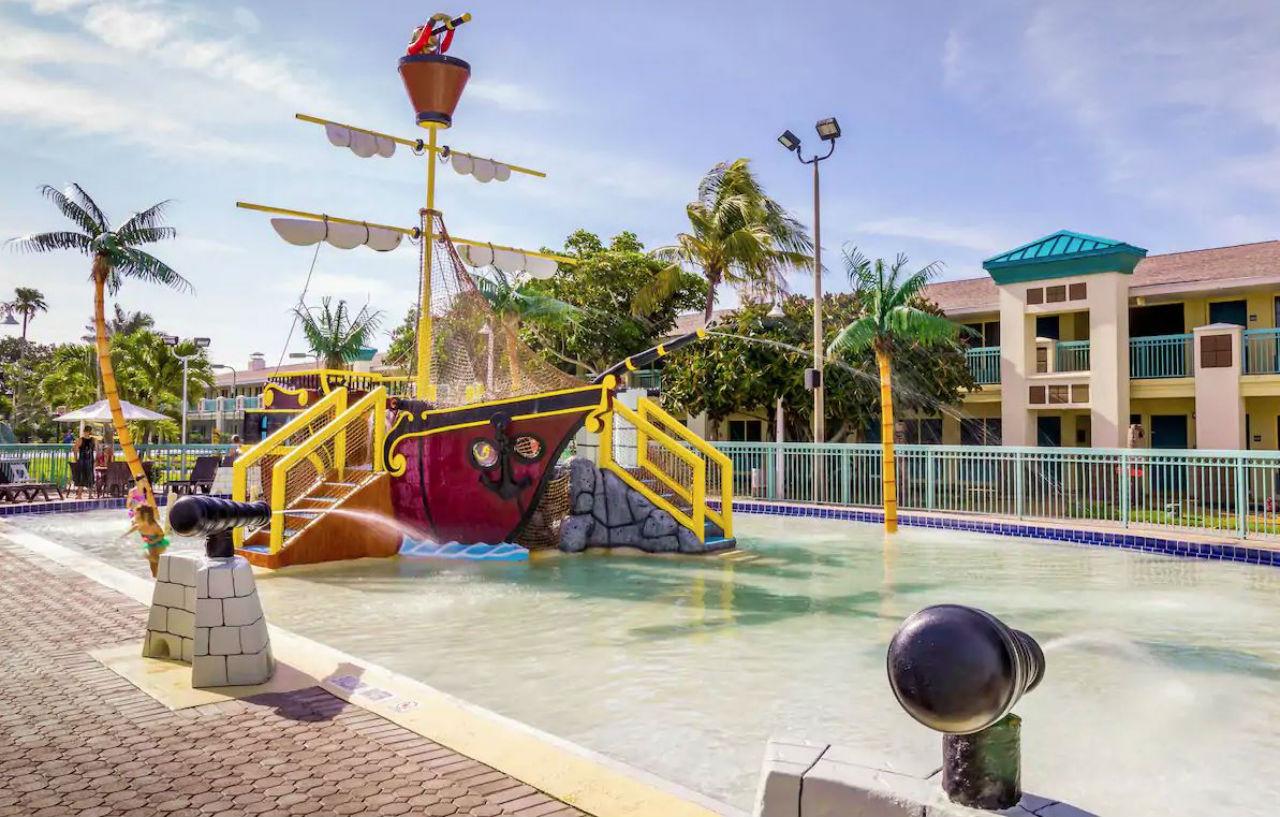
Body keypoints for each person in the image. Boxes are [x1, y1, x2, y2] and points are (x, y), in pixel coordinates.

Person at [124, 504, 168, 577]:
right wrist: (125, 534)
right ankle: (155, 577)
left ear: (145, 515)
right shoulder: (139, 523)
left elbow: (162, 535)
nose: (135, 515)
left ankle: (163, 575)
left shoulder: (153, 525)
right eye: (135, 513)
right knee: (152, 564)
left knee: (155, 560)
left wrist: (153, 541)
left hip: (158, 543)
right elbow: (135, 527)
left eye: (137, 513)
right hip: (150, 543)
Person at [74, 428, 96, 497]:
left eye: (86, 431)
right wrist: (76, 459)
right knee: (84, 477)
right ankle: (81, 495)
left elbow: (75, 449)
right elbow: (75, 449)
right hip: (86, 460)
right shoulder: (83, 440)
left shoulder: (92, 440)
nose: (86, 433)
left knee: (86, 477)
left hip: (86, 460)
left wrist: (76, 459)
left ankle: (87, 495)